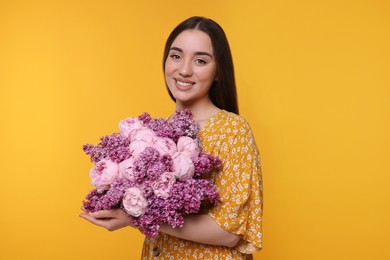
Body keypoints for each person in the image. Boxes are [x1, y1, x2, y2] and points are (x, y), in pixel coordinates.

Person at [80, 16, 263, 259]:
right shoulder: (153, 134)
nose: (184, 70)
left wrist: (136, 216)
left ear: (219, 71)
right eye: (176, 56)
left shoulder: (232, 130)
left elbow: (230, 231)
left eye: (200, 60)